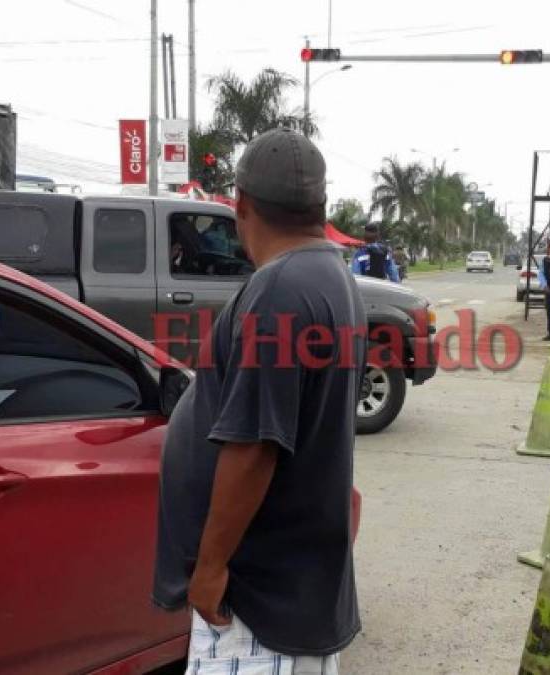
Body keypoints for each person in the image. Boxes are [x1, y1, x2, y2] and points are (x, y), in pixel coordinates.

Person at [152, 128, 364, 674]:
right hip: (290, 591)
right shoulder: (331, 276)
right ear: (321, 205)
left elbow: (255, 445)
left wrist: (211, 566)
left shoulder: (279, 289)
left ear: (241, 205)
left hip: (257, 602)